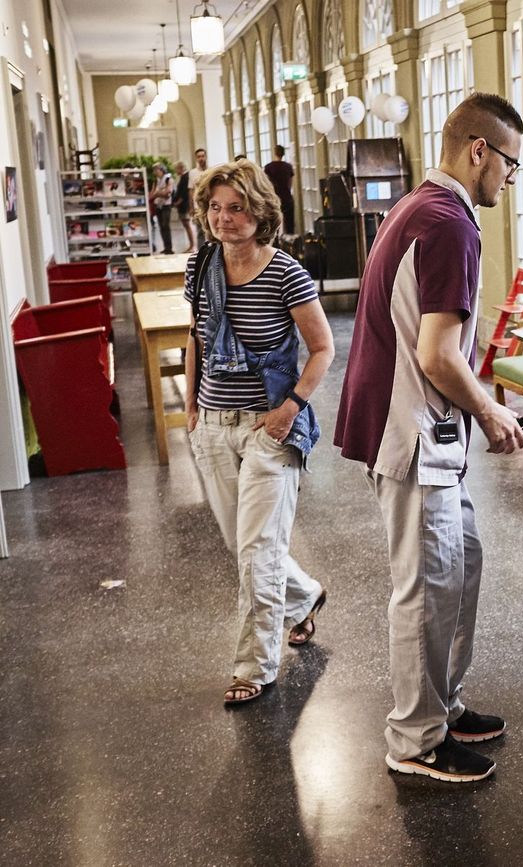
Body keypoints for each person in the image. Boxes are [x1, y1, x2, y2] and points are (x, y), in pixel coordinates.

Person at [335, 93, 523, 783]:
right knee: (424, 587)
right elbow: (438, 353)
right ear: (479, 151)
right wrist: (490, 411)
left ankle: (442, 703)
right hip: (413, 433)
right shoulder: (449, 223)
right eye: (510, 162)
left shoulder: (418, 206)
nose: (510, 176)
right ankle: (415, 738)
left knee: (460, 567)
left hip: (426, 433)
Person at [184, 159, 336, 706]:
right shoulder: (202, 266)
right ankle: (306, 596)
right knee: (243, 546)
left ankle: (255, 665)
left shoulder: (284, 273)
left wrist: (291, 408)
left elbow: (323, 348)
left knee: (257, 552)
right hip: (213, 424)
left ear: (259, 211)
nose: (224, 218)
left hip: (268, 429)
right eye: (215, 208)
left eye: (236, 207)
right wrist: (190, 404)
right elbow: (198, 336)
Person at [264, 144, 296, 236]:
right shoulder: (288, 167)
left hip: (274, 198)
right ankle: (290, 243)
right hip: (287, 197)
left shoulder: (268, 167)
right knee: (289, 224)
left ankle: (276, 242)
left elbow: (267, 184)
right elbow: (290, 183)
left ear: (275, 153)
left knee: (273, 225)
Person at [150, 162, 174, 253]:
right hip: (158, 206)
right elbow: (152, 195)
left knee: (166, 226)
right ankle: (165, 247)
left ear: (161, 170)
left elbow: (168, 193)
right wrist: (160, 193)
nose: (155, 172)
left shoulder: (168, 179)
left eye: (156, 169)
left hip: (166, 206)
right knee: (161, 227)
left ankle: (169, 248)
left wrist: (158, 193)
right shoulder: (156, 181)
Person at [172, 161, 195, 251]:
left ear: (180, 168)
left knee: (187, 224)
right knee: (186, 225)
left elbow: (184, 193)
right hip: (182, 205)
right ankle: (191, 244)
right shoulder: (183, 177)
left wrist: (177, 202)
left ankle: (192, 245)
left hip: (184, 206)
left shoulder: (185, 177)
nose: (175, 171)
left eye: (176, 169)